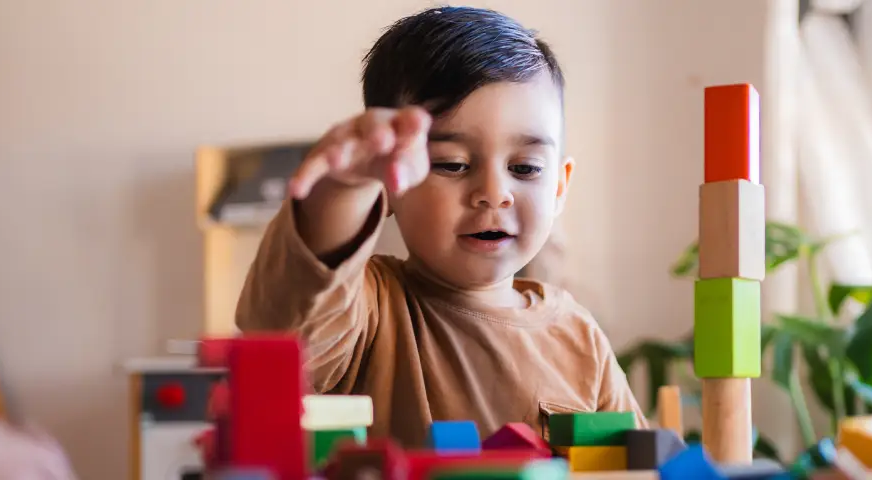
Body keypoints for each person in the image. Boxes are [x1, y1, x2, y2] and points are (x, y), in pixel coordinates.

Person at [236, 5, 647, 446]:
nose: (493, 192)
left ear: (560, 186)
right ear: (389, 187)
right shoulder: (371, 311)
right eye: (452, 164)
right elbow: (287, 325)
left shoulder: (580, 338)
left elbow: (637, 464)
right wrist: (343, 190)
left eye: (525, 168)